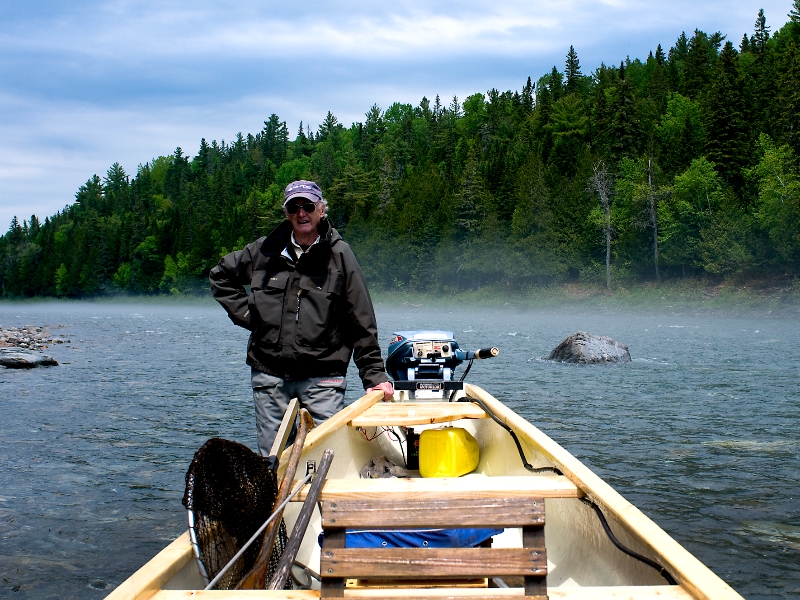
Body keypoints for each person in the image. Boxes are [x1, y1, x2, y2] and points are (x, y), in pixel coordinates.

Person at [209, 180, 394, 456]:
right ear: (286, 213)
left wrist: (374, 376)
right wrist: (249, 314)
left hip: (323, 376)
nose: (301, 213)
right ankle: (283, 499)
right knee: (274, 460)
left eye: (308, 206)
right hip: (269, 373)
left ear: (321, 210)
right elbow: (220, 276)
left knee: (325, 455)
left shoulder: (340, 255)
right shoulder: (263, 251)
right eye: (293, 207)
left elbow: (361, 318)